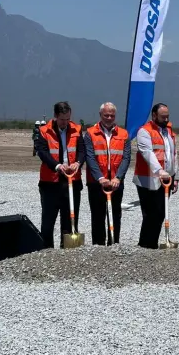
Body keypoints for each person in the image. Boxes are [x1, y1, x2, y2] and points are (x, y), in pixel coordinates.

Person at [34, 101, 85, 249]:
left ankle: (67, 250)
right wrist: (57, 166)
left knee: (69, 219)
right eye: (62, 119)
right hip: (50, 182)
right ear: (55, 116)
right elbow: (42, 151)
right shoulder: (44, 131)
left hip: (72, 181)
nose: (65, 122)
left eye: (68, 119)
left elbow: (82, 150)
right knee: (48, 221)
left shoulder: (76, 129)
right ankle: (47, 250)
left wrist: (78, 163)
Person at [133, 103, 179, 249]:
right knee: (151, 214)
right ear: (154, 115)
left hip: (167, 178)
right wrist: (160, 171)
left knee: (160, 213)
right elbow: (148, 153)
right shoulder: (144, 132)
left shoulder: (169, 131)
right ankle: (146, 245)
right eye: (163, 117)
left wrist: (176, 177)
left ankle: (152, 243)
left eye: (167, 116)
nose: (166, 119)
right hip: (148, 180)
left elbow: (173, 154)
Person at [84, 102, 131, 245]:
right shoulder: (91, 133)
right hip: (97, 183)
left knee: (115, 215)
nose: (109, 118)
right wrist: (100, 178)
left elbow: (126, 157)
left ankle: (114, 243)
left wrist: (119, 177)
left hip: (116, 182)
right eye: (106, 115)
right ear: (100, 115)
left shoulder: (123, 134)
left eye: (112, 115)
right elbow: (90, 157)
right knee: (98, 216)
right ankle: (98, 246)